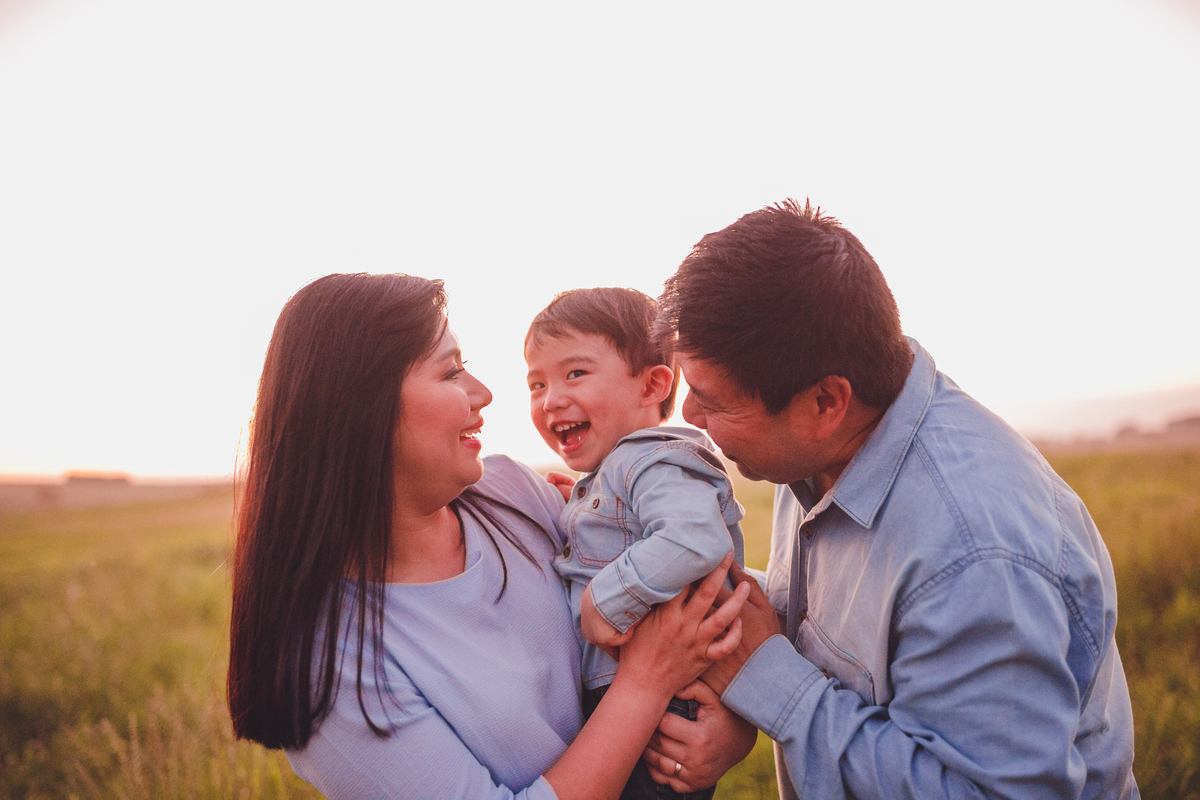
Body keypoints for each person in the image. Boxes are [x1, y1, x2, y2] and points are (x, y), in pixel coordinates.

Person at [648, 200, 1139, 799]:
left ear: (826, 403)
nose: (691, 417)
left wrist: (768, 683)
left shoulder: (973, 552)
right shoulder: (822, 448)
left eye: (714, 400)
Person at [226, 272, 749, 800]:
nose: (484, 393)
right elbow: (652, 659)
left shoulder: (515, 492)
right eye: (451, 372)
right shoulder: (328, 663)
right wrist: (644, 685)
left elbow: (688, 583)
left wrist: (729, 735)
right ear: (363, 408)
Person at [524, 287, 747, 800]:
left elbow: (695, 538)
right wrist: (582, 507)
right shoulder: (623, 469)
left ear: (652, 385)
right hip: (634, 694)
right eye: (537, 383)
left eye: (575, 373)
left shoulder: (653, 460)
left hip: (664, 707)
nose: (551, 399)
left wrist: (604, 601)